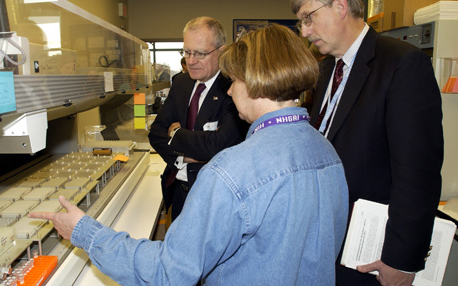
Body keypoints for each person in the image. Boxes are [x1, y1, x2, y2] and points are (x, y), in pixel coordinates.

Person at [29, 24, 349, 286]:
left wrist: (84, 231)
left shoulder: (230, 173)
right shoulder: (327, 152)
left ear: (254, 83)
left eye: (234, 80)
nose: (229, 90)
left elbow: (168, 272)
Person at [290, 0, 444, 286]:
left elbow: (418, 173)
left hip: (374, 250)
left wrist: (402, 259)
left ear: (340, 5)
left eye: (309, 18)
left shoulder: (400, 64)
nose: (305, 32)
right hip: (330, 242)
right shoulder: (326, 69)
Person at [148, 16, 248, 221]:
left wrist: (175, 133)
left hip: (214, 199)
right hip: (178, 193)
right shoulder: (181, 83)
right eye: (187, 52)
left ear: (221, 51)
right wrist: (183, 156)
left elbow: (218, 146)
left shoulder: (233, 87)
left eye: (200, 54)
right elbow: (156, 132)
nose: (191, 61)